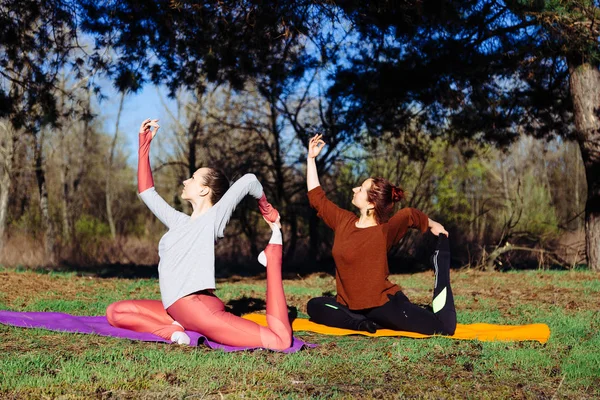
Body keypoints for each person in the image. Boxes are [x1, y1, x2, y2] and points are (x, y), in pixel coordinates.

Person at [106, 119, 292, 350]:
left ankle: (273, 257)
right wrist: (144, 144)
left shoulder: (213, 218)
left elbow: (250, 180)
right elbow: (146, 192)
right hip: (176, 310)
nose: (186, 180)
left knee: (280, 341)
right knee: (115, 312)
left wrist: (267, 209)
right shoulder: (179, 222)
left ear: (204, 189)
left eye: (193, 178)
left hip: (199, 308)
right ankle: (173, 331)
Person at [305, 134, 456, 335]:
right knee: (314, 306)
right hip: (348, 305)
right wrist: (311, 159)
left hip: (383, 305)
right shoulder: (344, 221)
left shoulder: (383, 232)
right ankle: (360, 324)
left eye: (361, 188)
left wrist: (432, 224)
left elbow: (409, 214)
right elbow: (317, 200)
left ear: (370, 203)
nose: (354, 188)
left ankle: (441, 262)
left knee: (443, 328)